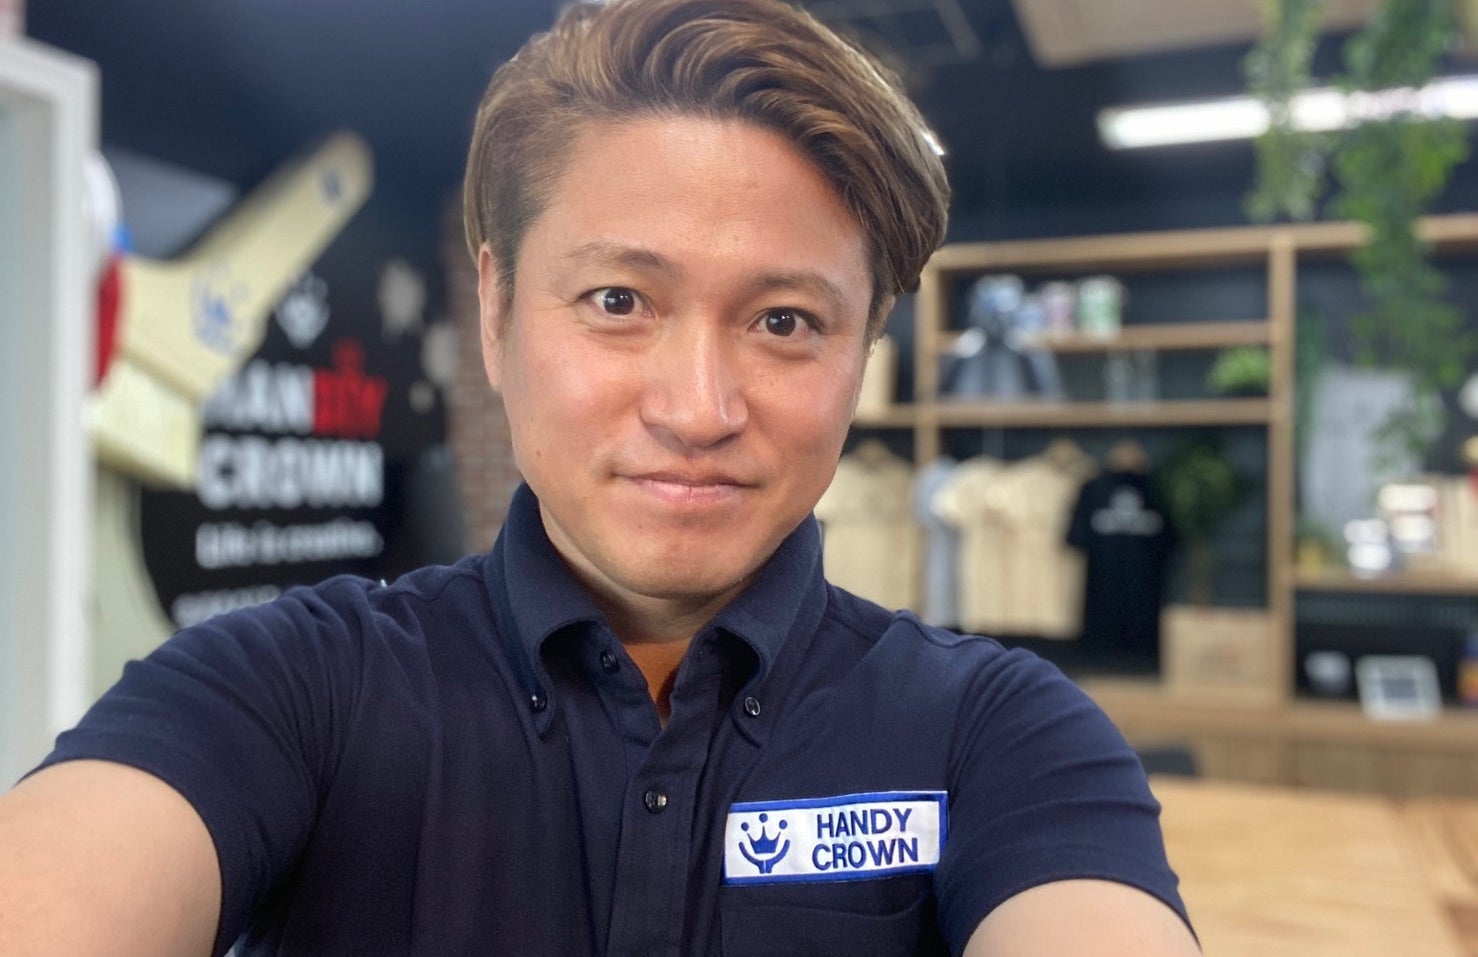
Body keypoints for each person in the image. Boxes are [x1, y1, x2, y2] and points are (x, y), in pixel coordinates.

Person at [0, 0, 1201, 954]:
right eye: (618, 301)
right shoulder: (286, 690)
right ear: (495, 311)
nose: (697, 410)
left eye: (784, 322)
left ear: (862, 353)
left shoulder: (1000, 736)